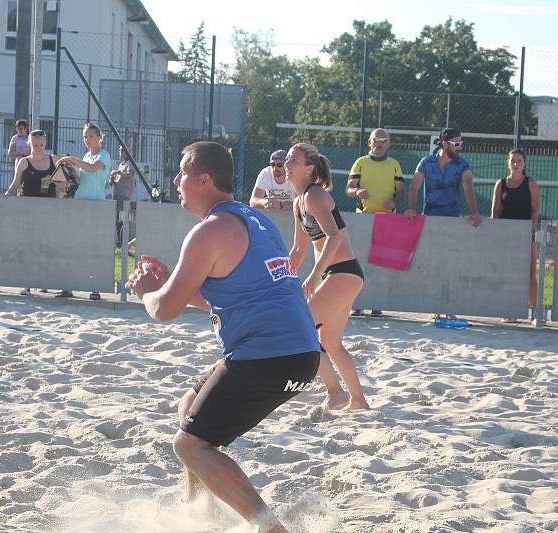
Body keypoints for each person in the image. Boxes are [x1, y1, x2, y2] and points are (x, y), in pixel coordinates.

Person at [127, 141, 321, 533]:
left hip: (268, 355)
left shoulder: (209, 231)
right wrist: (170, 286)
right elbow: (225, 300)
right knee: (190, 406)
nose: (177, 180)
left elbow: (164, 311)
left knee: (188, 445)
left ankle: (270, 528)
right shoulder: (256, 219)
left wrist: (147, 292)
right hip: (299, 353)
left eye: (183, 172)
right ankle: (201, 512)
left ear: (204, 179)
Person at [286, 142, 371, 412]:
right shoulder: (299, 202)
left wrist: (313, 276)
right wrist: (281, 279)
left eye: (292, 161)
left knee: (301, 329)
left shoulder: (315, 196)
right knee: (330, 343)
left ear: (309, 168)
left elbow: (335, 237)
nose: (286, 165)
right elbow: (299, 249)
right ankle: (358, 400)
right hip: (337, 275)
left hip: (344, 272)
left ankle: (336, 393)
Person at [405, 127, 482, 321]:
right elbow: (414, 187)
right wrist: (411, 208)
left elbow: (468, 189)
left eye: (461, 143)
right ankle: (435, 306)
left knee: (450, 263)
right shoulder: (426, 162)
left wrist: (473, 212)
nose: (460, 147)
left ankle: (448, 307)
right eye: (456, 144)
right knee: (432, 263)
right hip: (429, 217)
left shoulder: (462, 164)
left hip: (451, 218)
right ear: (444, 144)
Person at [345, 128, 404, 317]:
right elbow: (349, 188)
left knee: (381, 262)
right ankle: (358, 303)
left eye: (383, 140)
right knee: (359, 261)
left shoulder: (394, 164)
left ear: (389, 143)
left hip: (387, 219)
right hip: (364, 217)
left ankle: (376, 303)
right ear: (369, 142)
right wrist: (357, 192)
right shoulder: (360, 162)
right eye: (376, 140)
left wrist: (394, 201)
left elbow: (401, 190)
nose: (379, 144)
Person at [55, 123, 112, 300]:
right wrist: (67, 169)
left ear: (100, 137)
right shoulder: (87, 155)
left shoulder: (104, 155)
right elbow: (81, 176)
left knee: (93, 247)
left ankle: (95, 287)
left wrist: (73, 159)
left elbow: (92, 168)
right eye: (85, 137)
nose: (87, 140)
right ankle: (69, 287)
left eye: (91, 136)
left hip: (96, 205)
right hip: (80, 203)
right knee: (74, 245)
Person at [4, 129, 60, 296]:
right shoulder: (23, 163)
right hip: (27, 210)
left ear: (46, 143)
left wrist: (56, 182)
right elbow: (15, 185)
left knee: (45, 246)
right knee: (28, 247)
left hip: (48, 209)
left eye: (41, 144)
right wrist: (6, 197)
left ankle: (43, 281)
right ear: (29, 144)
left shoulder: (54, 160)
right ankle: (27, 283)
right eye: (35, 145)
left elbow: (65, 184)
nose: (38, 148)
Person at [491, 149, 540, 323]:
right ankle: (509, 310)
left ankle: (535, 312)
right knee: (507, 274)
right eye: (513, 160)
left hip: (526, 233)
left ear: (524, 164)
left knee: (529, 274)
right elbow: (495, 211)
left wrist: (531, 228)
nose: (516, 163)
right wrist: (496, 231)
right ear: (508, 162)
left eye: (519, 161)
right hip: (505, 234)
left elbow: (535, 209)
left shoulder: (530, 184)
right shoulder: (501, 184)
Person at [110, 145, 136, 249]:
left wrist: (119, 172)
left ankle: (124, 241)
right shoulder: (120, 165)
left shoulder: (130, 164)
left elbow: (130, 174)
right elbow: (116, 181)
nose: (120, 152)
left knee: (122, 218)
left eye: (122, 150)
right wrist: (112, 179)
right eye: (120, 150)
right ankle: (119, 241)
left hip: (124, 195)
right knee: (117, 218)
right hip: (117, 194)